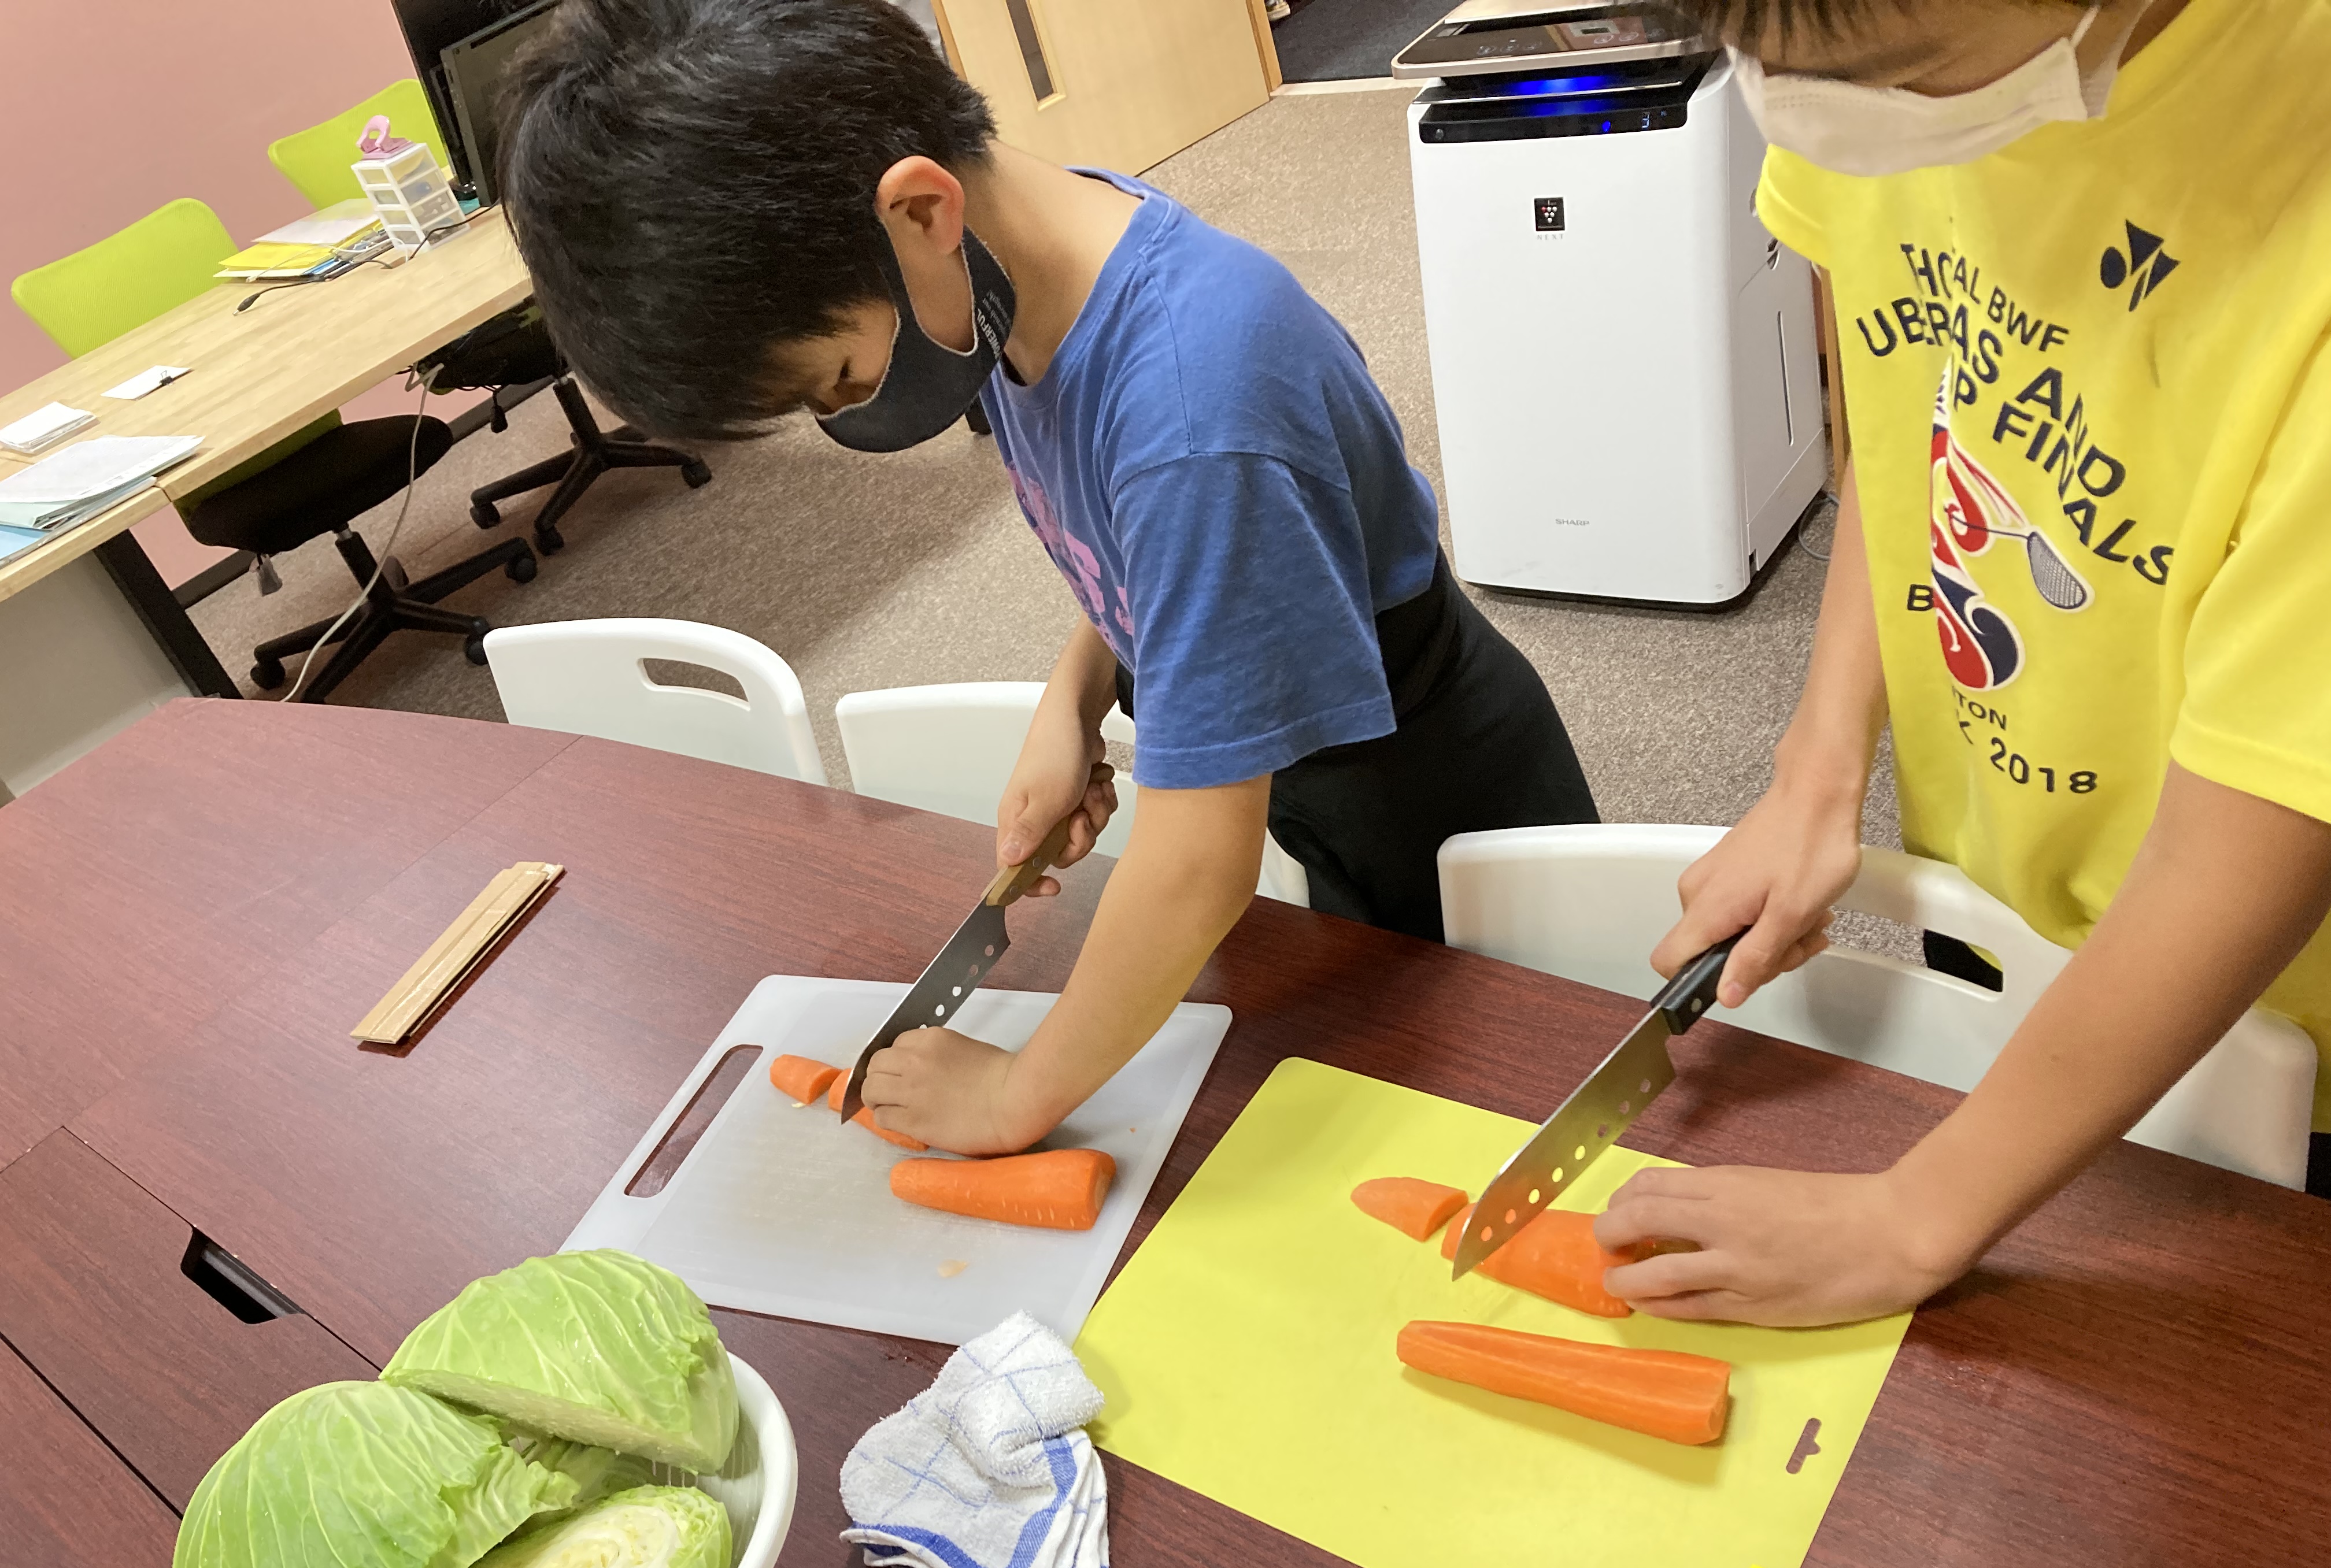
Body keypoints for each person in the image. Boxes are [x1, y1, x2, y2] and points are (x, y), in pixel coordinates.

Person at [496, 0, 1597, 1155]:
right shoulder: (1035, 272)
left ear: (921, 211)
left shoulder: (1194, 417)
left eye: (837, 377)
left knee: (1510, 1097)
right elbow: (1144, 556)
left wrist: (1015, 1094)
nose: (850, 410)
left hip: (1438, 807)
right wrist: (1073, 702)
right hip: (1319, 775)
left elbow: (1200, 863)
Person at [1596, 0, 2331, 1325]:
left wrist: (1913, 1219)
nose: (1803, 106)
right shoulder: (1848, 36)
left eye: (1890, 79)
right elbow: (1923, 400)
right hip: (1994, 885)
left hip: (2255, 1008)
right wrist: (1820, 765)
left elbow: (2258, 837)